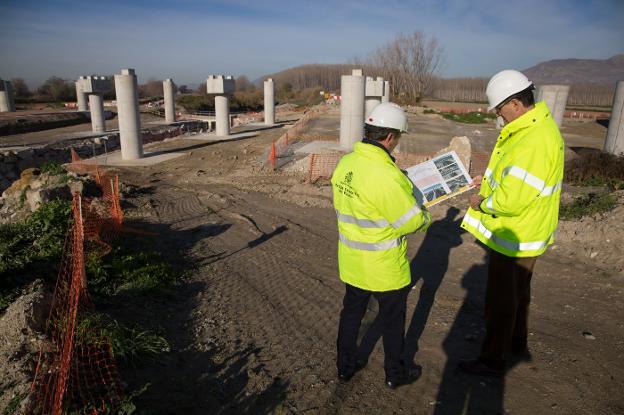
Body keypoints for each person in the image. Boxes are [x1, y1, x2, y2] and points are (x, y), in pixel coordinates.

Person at [459, 69, 564, 376]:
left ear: (516, 104)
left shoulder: (531, 140)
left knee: (501, 299)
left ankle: (491, 359)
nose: (499, 116)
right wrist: (486, 181)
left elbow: (513, 199)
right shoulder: (538, 130)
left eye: (500, 109)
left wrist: (481, 201)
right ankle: (516, 343)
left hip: (516, 233)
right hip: (529, 231)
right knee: (519, 292)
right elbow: (514, 179)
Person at [331, 102, 431, 389]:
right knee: (392, 321)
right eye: (397, 137)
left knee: (351, 314)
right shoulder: (386, 174)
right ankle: (394, 373)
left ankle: (344, 366)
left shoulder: (346, 163)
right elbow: (410, 222)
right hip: (384, 266)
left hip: (352, 260)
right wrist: (426, 215)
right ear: (389, 137)